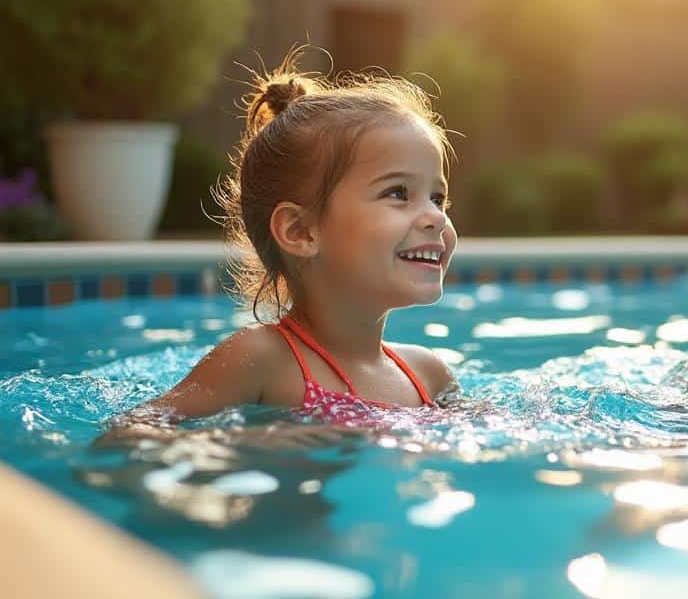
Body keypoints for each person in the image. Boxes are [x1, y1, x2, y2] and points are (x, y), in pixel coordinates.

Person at [107, 57, 460, 440]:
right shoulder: (261, 360)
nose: (435, 218)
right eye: (398, 193)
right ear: (301, 231)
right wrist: (256, 441)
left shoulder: (428, 374)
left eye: (437, 198)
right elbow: (128, 433)